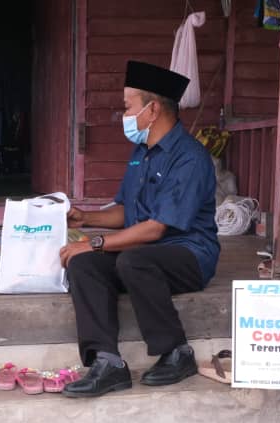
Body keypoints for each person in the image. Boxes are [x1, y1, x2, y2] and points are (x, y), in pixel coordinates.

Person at [58, 61, 219, 398]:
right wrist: (85, 218)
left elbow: (155, 229)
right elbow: (125, 212)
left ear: (153, 109)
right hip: (142, 253)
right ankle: (107, 362)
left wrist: (95, 242)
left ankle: (176, 352)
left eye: (128, 107)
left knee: (131, 260)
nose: (125, 115)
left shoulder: (189, 157)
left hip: (188, 254)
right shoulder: (141, 153)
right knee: (83, 264)